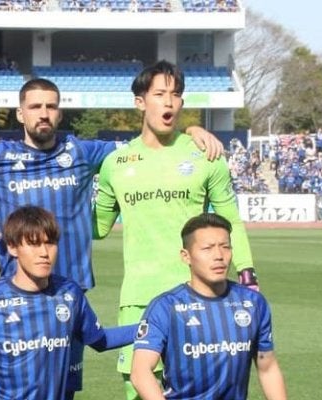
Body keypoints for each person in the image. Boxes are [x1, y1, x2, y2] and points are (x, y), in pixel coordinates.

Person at [0, 78, 224, 397]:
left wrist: (189, 131)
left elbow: (146, 144)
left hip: (67, 297)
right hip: (15, 298)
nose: (43, 113)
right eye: (35, 106)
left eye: (51, 106)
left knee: (59, 390)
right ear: (20, 113)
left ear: (59, 112)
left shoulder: (84, 152)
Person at [93, 60, 258, 400]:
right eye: (159, 94)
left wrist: (247, 273)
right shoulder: (115, 164)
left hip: (196, 298)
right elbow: (98, 228)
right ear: (140, 102)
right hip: (138, 301)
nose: (168, 102)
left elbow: (232, 221)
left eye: (176, 94)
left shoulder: (206, 155)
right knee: (139, 389)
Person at [0, 205, 136, 399]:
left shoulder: (69, 294)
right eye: (34, 244)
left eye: (50, 243)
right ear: (12, 247)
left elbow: (100, 340)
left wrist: (146, 328)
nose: (44, 253)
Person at [131, 213, 286, 399]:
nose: (219, 256)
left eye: (225, 247)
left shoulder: (253, 302)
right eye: (207, 248)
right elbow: (140, 373)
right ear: (186, 256)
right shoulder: (166, 307)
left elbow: (267, 367)